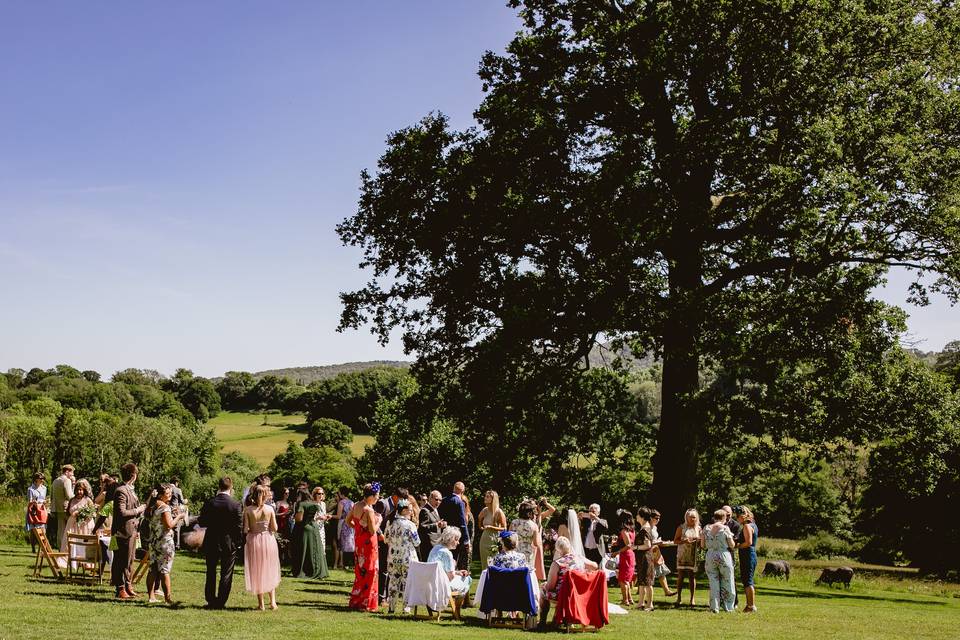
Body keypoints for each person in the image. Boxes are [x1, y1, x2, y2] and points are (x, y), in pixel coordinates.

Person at [198, 476, 243, 609]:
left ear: (219, 487)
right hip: (229, 543)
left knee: (210, 571)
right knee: (226, 573)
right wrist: (238, 542)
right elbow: (239, 526)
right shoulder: (236, 504)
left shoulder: (210, 502)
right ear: (231, 487)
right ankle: (221, 601)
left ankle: (211, 599)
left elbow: (202, 522)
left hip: (212, 540)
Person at [539, 535, 597, 626]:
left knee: (543, 590)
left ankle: (542, 621)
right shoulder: (579, 559)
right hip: (579, 594)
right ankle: (558, 620)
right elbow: (595, 566)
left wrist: (544, 585)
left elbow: (550, 586)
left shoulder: (557, 563)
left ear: (557, 550)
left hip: (563, 595)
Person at [111, 463, 146, 600]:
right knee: (120, 560)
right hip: (121, 532)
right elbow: (122, 512)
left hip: (131, 530)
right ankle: (120, 588)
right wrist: (138, 510)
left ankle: (127, 585)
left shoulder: (130, 490)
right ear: (133, 476)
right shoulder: (121, 490)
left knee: (130, 560)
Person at [146, 483, 186, 605]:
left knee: (152, 568)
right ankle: (168, 599)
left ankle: (151, 596)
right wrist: (179, 516)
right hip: (164, 542)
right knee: (165, 570)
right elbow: (169, 525)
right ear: (160, 495)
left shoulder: (152, 506)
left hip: (153, 541)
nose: (170, 496)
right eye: (167, 494)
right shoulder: (165, 507)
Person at [244, 484, 281, 610]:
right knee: (269, 569)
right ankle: (273, 602)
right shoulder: (270, 509)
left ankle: (261, 604)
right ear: (265, 495)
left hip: (254, 540)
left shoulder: (248, 510)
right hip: (268, 540)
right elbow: (275, 528)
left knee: (257, 571)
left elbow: (245, 529)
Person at [348, 482, 382, 611]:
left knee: (360, 571)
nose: (378, 498)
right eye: (377, 495)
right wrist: (380, 520)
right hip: (369, 543)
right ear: (371, 496)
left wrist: (358, 530)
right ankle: (366, 603)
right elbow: (373, 531)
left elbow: (348, 521)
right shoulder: (369, 510)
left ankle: (357, 600)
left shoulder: (356, 505)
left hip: (359, 542)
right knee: (370, 571)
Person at [384, 499, 421, 613]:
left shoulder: (390, 522)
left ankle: (391, 607)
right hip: (407, 558)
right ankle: (406, 608)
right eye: (410, 510)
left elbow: (385, 539)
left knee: (393, 582)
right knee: (407, 582)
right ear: (404, 510)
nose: (411, 512)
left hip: (393, 557)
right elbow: (417, 542)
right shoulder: (410, 525)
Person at [701, 508, 736, 613]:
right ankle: (728, 606)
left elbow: (702, 545)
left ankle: (714, 607)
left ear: (714, 517)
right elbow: (732, 545)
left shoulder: (706, 528)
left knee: (713, 581)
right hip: (723, 555)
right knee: (728, 580)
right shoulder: (725, 529)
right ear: (724, 518)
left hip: (710, 555)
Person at [291, 487, 329, 579]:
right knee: (314, 550)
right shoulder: (314, 503)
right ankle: (318, 570)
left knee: (304, 551)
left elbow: (299, 518)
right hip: (314, 528)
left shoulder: (301, 504)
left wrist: (294, 516)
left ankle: (304, 570)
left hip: (304, 528)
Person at [428, 527, 472, 595]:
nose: (458, 543)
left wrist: (457, 572)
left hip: (430, 583)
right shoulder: (447, 553)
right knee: (468, 579)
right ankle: (456, 605)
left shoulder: (435, 548)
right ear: (451, 539)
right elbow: (451, 577)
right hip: (441, 586)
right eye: (457, 540)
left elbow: (440, 571)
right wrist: (455, 574)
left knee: (461, 577)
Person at [437, 482, 470, 570]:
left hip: (444, 533)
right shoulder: (459, 502)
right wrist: (466, 539)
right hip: (455, 535)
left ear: (454, 489)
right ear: (463, 490)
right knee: (454, 559)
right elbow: (462, 522)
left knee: (445, 557)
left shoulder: (444, 500)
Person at [673, 508, 701, 607]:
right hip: (682, 554)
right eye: (690, 517)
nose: (692, 519)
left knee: (691, 576)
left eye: (694, 517)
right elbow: (675, 541)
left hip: (693, 555)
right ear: (686, 517)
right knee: (680, 575)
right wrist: (684, 541)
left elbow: (702, 542)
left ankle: (692, 598)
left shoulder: (698, 528)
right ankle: (679, 597)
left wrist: (698, 540)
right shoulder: (681, 527)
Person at [510, 499, 544, 579]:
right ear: (530, 512)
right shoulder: (534, 525)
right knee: (526, 573)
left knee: (514, 571)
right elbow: (536, 543)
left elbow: (509, 537)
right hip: (528, 551)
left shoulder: (514, 522)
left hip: (515, 549)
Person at [733, 505, 759, 613]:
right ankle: (749, 605)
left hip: (748, 555)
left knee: (748, 581)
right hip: (749, 554)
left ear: (743, 516)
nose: (737, 519)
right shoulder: (754, 525)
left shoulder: (747, 526)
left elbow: (748, 542)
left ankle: (751, 606)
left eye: (738, 516)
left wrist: (737, 546)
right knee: (746, 580)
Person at [61, 479, 95, 556]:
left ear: (84, 490)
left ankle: (83, 558)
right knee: (71, 541)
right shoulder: (72, 500)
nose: (79, 492)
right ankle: (70, 557)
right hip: (72, 525)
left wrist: (83, 514)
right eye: (77, 490)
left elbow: (93, 513)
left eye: (81, 490)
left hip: (84, 525)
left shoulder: (88, 500)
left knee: (83, 542)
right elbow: (68, 512)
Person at [648, 509, 677, 597]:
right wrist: (658, 543)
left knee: (661, 571)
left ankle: (667, 591)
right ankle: (641, 592)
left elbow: (655, 540)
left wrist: (662, 542)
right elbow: (647, 542)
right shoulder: (647, 528)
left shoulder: (655, 528)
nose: (658, 520)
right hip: (649, 552)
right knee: (648, 573)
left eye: (659, 518)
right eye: (656, 518)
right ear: (651, 518)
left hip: (656, 551)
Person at [611, 509, 636, 606]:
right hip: (630, 555)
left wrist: (617, 552)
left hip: (626, 555)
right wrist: (617, 542)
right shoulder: (632, 530)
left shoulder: (623, 530)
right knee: (627, 579)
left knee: (622, 579)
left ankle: (625, 600)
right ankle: (630, 599)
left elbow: (628, 544)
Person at [634, 506, 656, 610]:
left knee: (647, 582)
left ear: (642, 516)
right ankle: (640, 603)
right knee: (642, 581)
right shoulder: (644, 527)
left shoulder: (645, 529)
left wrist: (635, 547)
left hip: (646, 558)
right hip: (642, 558)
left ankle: (650, 604)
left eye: (638, 514)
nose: (636, 516)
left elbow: (647, 545)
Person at [477, 490, 507, 567]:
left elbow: (504, 528)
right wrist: (480, 526)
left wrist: (491, 527)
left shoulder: (498, 512)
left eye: (487, 497)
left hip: (494, 540)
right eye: (485, 496)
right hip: (484, 539)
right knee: (484, 563)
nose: (485, 498)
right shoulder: (485, 510)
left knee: (494, 563)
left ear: (493, 499)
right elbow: (479, 519)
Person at [50, 464, 75, 549]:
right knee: (69, 529)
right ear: (67, 472)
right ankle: (67, 548)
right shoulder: (67, 481)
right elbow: (69, 496)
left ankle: (61, 548)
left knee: (60, 530)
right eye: (71, 474)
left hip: (57, 508)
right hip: (66, 508)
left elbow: (51, 496)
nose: (72, 476)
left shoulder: (55, 481)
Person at [418, 490, 446, 561]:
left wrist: (442, 525)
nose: (438, 502)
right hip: (429, 545)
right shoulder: (425, 510)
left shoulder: (435, 509)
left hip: (436, 543)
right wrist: (436, 525)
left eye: (440, 500)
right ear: (430, 498)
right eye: (436, 499)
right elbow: (422, 527)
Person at [25, 473, 47, 553]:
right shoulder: (31, 489)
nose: (42, 480)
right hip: (33, 510)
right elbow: (30, 501)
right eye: (40, 478)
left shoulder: (44, 488)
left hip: (41, 510)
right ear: (36, 479)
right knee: (33, 530)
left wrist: (44, 502)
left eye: (43, 478)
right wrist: (35, 502)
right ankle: (33, 547)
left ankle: (43, 548)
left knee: (43, 529)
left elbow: (44, 498)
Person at [335, 486, 355, 568]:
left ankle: (342, 562)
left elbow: (339, 516)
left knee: (341, 543)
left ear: (341, 493)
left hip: (343, 524)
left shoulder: (341, 502)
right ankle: (352, 563)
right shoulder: (352, 502)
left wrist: (329, 515)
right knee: (351, 543)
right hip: (350, 524)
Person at [169, 477, 188, 549]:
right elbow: (182, 501)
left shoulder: (167, 489)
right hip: (175, 511)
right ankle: (177, 545)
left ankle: (170, 543)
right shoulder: (177, 490)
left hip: (167, 511)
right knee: (176, 528)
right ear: (176, 482)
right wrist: (186, 501)